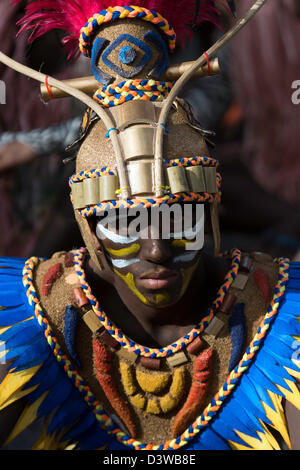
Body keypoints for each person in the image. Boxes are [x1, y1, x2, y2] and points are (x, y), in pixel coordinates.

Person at [0, 0, 299, 451]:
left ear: (211, 211)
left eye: (178, 218)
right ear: (89, 228)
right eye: (125, 223)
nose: (156, 249)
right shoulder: (22, 323)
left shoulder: (281, 319)